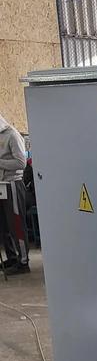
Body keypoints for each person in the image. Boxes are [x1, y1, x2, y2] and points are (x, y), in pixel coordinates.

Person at [0, 112, 29, 273]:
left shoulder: (12, 135)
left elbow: (21, 163)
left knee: (16, 224)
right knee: (4, 225)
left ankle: (23, 261)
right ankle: (12, 257)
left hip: (13, 184)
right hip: (1, 185)